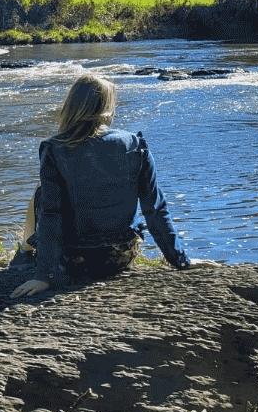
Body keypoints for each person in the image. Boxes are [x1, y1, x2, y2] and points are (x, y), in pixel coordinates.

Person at [11, 73, 192, 297]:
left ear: (71, 106)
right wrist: (181, 261)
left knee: (41, 195)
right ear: (108, 106)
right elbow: (154, 209)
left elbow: (51, 214)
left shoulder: (54, 148)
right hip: (119, 257)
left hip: (73, 261)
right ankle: (25, 252)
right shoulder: (136, 145)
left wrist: (43, 276)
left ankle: (24, 253)